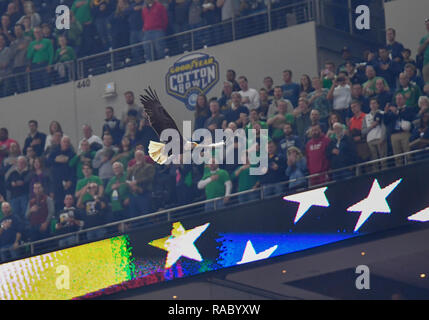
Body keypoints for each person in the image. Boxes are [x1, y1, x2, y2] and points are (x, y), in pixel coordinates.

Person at [384, 93, 416, 166]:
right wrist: (386, 112)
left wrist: (396, 112)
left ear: (404, 100)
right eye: (397, 99)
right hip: (394, 134)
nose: (398, 100)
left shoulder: (409, 109)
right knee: (397, 156)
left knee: (408, 153)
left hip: (405, 133)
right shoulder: (392, 111)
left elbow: (409, 118)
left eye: (400, 98)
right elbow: (386, 122)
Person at [47, 136, 76, 211]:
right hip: (56, 182)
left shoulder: (72, 154)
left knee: (69, 202)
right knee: (58, 202)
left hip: (68, 182)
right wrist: (56, 160)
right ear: (60, 143)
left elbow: (73, 169)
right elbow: (48, 161)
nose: (66, 144)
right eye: (64, 142)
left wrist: (70, 181)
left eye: (67, 142)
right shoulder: (55, 152)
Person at [126, 150, 155, 217]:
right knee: (133, 214)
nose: (138, 157)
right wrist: (131, 185)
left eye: (140, 155)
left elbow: (150, 178)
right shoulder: (132, 168)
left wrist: (137, 182)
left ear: (144, 157)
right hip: (133, 194)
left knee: (146, 213)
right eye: (136, 156)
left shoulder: (149, 166)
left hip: (145, 192)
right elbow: (127, 180)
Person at [362, 98, 387, 171]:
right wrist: (371, 126)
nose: (373, 105)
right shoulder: (366, 117)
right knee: (374, 160)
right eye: (371, 103)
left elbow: (384, 127)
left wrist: (383, 138)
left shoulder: (382, 113)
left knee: (383, 159)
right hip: (370, 140)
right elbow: (363, 131)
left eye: (374, 103)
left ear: (378, 104)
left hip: (380, 138)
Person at [9, 23, 31, 94]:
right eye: (16, 30)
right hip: (16, 68)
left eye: (18, 29)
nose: (17, 31)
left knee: (27, 86)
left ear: (22, 30)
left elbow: (30, 53)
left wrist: (29, 65)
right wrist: (18, 49)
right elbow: (10, 56)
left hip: (25, 66)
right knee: (20, 88)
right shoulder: (12, 44)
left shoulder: (28, 40)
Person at [6, 156, 30, 220]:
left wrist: (23, 184)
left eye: (22, 162)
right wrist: (11, 184)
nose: (20, 164)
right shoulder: (13, 173)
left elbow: (30, 184)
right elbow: (7, 185)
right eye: (19, 162)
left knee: (25, 214)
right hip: (14, 196)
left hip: (24, 195)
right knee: (15, 214)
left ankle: (25, 229)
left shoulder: (29, 172)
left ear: (25, 164)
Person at [417, 18, 429, 83]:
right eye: (427, 25)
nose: (428, 26)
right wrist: (426, 42)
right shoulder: (424, 38)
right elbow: (419, 51)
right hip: (426, 63)